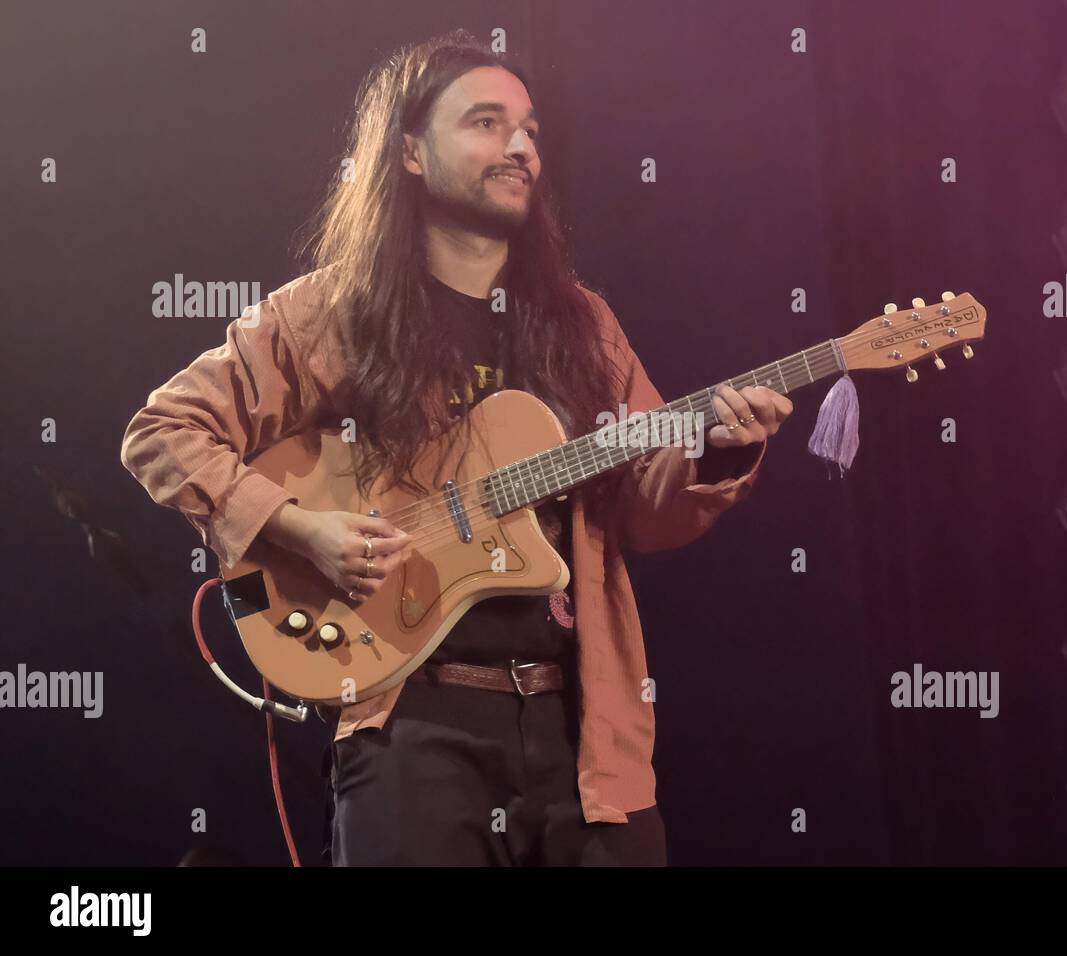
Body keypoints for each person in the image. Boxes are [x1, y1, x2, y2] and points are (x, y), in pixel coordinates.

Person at [120, 30, 792, 866]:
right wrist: (301, 529)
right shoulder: (332, 312)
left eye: (530, 129)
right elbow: (163, 432)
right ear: (409, 150)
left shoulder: (584, 325)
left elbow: (643, 513)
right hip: (412, 730)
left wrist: (713, 453)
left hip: (585, 735)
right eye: (486, 123)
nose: (520, 146)